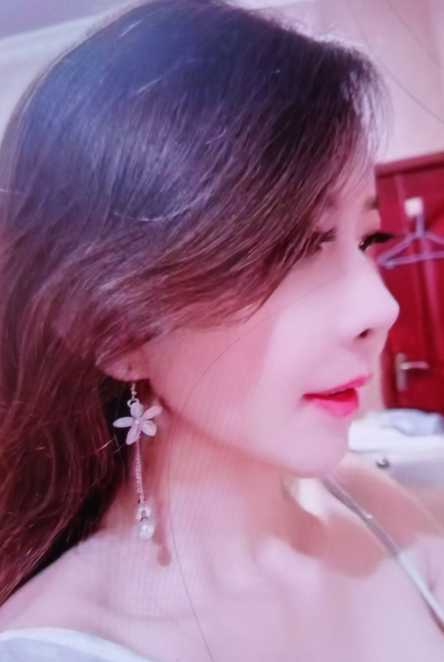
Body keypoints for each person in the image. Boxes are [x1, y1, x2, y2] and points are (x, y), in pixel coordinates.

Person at [0, 0, 443, 660]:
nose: (379, 308)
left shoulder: (378, 506)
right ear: (114, 329)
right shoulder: (60, 647)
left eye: (367, 239)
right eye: (298, 247)